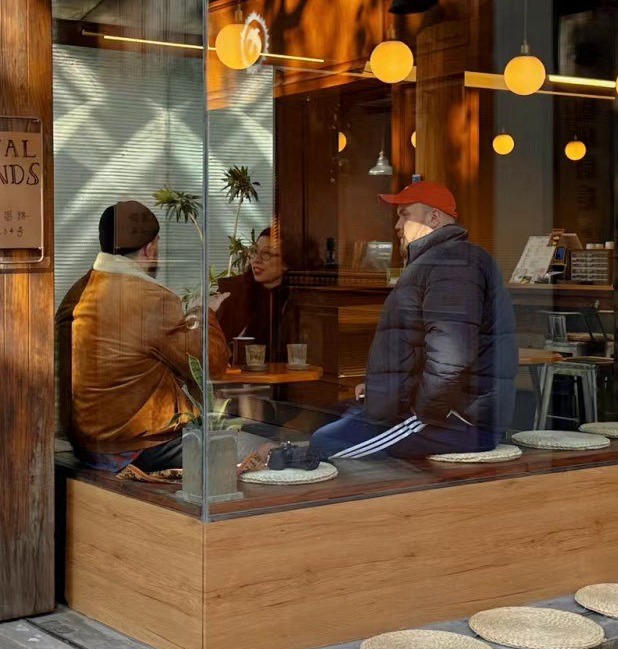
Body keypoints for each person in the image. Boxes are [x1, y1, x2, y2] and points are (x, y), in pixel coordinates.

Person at [309, 180, 516, 460]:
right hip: (441, 413)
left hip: (455, 421)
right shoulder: (438, 261)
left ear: (434, 217)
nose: (397, 225)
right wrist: (382, 390)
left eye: (405, 215)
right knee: (326, 419)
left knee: (326, 446)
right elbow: (419, 346)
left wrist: (423, 413)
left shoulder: (453, 262)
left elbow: (449, 359)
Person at [57, 200, 229, 471]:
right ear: (150, 248)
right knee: (259, 447)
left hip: (86, 445)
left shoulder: (77, 293)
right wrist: (202, 312)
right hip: (138, 447)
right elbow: (209, 366)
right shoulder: (151, 298)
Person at [214, 226, 293, 354]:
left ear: (285, 263)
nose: (256, 260)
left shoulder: (296, 301)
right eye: (255, 251)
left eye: (266, 254)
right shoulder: (231, 293)